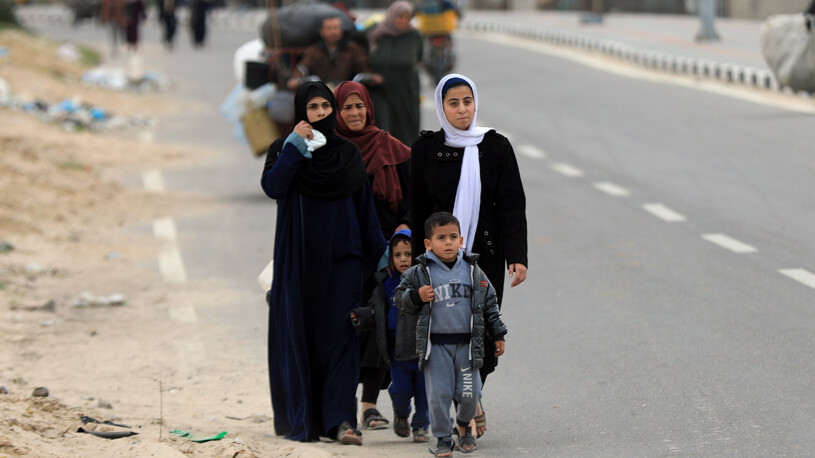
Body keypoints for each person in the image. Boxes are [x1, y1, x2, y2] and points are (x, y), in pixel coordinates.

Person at [261, 81, 387, 445]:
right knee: (302, 337)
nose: (320, 114)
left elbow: (364, 209)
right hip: (299, 263)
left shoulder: (347, 154)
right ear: (302, 113)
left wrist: (380, 259)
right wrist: (295, 148)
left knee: (340, 339)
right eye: (312, 108)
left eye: (325, 107)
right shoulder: (285, 150)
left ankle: (341, 421)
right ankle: (305, 417)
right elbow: (273, 186)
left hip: (343, 263)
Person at [409, 73, 527, 438]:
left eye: (467, 101)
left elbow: (511, 205)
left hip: (484, 257)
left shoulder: (496, 147)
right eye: (453, 103)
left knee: (484, 331)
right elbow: (416, 209)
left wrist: (517, 257)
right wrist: (417, 263)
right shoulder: (425, 151)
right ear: (441, 107)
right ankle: (466, 407)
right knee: (447, 334)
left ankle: (472, 395)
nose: (462, 110)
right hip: (439, 261)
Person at [396, 212, 507, 457]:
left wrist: (498, 333)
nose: (448, 242)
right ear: (428, 243)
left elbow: (490, 303)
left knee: (470, 394)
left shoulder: (473, 271)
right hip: (436, 347)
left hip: (467, 347)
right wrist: (417, 296)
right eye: (441, 237)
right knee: (440, 395)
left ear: (461, 240)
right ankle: (444, 439)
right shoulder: (420, 273)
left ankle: (465, 424)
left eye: (453, 237)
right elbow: (400, 299)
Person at [334, 80, 411, 431]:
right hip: (343, 252)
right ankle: (341, 401)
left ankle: (369, 404)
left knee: (382, 325)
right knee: (345, 325)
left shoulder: (389, 147)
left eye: (359, 106)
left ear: (369, 108)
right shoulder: (330, 150)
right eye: (346, 107)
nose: (354, 113)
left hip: (384, 253)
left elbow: (412, 198)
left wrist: (402, 236)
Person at [350, 229, 430, 443]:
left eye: (408, 253)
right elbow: (377, 311)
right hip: (397, 352)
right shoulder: (385, 284)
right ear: (390, 257)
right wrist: (361, 317)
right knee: (401, 391)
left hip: (423, 351)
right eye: (397, 255)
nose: (403, 259)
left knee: (424, 392)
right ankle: (402, 415)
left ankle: (421, 425)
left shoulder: (427, 282)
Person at [367, 1, 423, 145]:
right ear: (392, 15)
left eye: (407, 17)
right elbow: (366, 58)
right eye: (400, 16)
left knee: (407, 133)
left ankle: (408, 165)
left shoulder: (414, 35)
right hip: (381, 91)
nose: (404, 20)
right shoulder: (378, 34)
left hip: (406, 91)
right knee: (384, 132)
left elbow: (419, 57)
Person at [287, 16, 376, 90]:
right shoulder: (313, 51)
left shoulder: (353, 49)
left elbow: (363, 67)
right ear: (322, 32)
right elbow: (303, 68)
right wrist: (296, 79)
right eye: (329, 28)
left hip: (345, 93)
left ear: (341, 30)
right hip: (321, 93)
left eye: (336, 28)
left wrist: (370, 76)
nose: (334, 32)